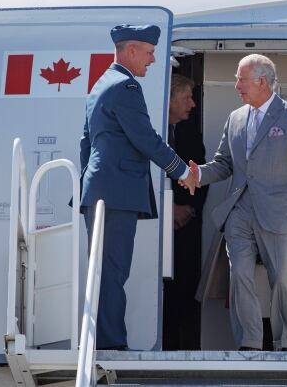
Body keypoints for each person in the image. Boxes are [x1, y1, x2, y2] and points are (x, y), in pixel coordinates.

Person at [187, 54, 287, 351]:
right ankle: (250, 343)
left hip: (281, 213)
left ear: (262, 82)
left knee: (282, 280)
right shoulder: (236, 118)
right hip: (240, 212)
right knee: (239, 275)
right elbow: (223, 164)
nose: (236, 85)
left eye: (241, 79)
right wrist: (198, 175)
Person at [80, 24, 198, 351]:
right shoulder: (126, 88)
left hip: (102, 190)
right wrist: (181, 172)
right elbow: (146, 139)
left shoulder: (101, 84)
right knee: (113, 271)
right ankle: (110, 343)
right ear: (131, 50)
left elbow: (85, 144)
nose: (151, 60)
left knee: (106, 270)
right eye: (148, 53)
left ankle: (105, 339)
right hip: (116, 193)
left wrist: (88, 185)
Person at [162, 74, 208, 350]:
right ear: (169, 100)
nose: (193, 104)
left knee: (185, 289)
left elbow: (203, 174)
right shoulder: (152, 130)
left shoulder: (190, 132)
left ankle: (180, 350)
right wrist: (169, 210)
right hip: (154, 225)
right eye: (186, 98)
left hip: (186, 228)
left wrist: (189, 209)